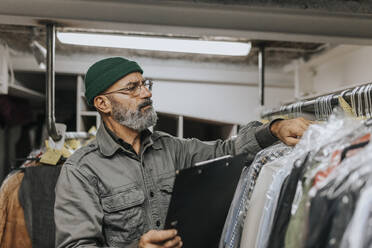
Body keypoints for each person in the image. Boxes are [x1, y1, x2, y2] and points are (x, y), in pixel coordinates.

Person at [54, 57, 311, 248]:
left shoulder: (172, 148)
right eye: (132, 88)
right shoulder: (82, 170)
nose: (146, 93)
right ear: (102, 103)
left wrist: (275, 129)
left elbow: (228, 151)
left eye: (145, 84)